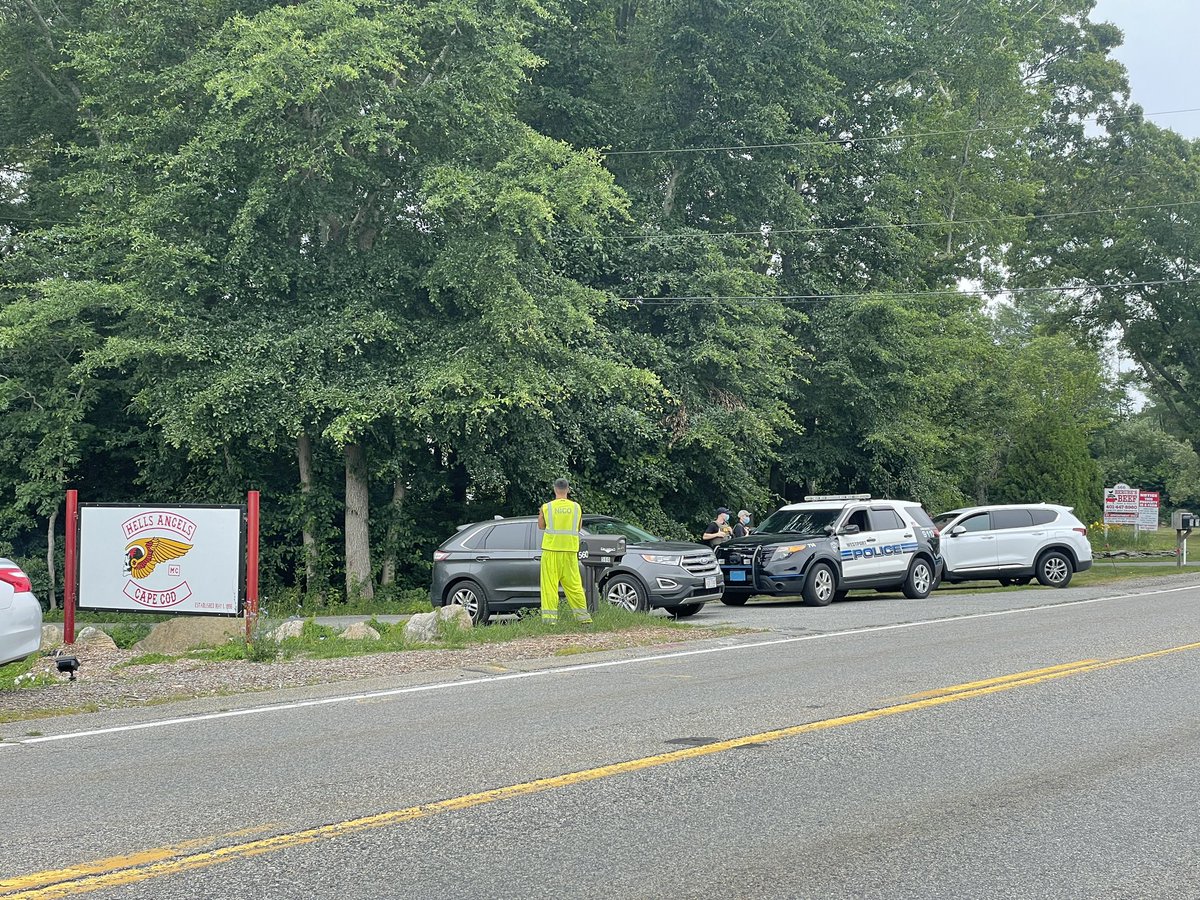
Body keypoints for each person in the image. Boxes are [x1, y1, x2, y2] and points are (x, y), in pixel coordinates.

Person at [538, 478, 592, 624]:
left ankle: (550, 621)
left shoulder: (546, 507)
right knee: (575, 586)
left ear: (555, 489)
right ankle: (584, 619)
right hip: (570, 551)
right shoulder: (576, 507)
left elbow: (541, 526)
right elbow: (579, 528)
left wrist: (541, 514)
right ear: (568, 489)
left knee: (549, 586)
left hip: (551, 551)